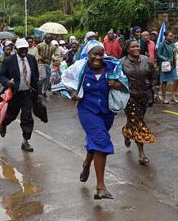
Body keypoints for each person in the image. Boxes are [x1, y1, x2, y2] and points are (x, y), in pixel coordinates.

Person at [62, 40, 128, 200]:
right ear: (88, 55)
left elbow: (125, 82)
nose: (98, 57)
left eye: (100, 54)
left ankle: (86, 164)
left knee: (96, 142)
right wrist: (72, 93)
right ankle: (101, 187)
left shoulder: (113, 67)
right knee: (101, 141)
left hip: (107, 112)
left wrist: (117, 84)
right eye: (94, 54)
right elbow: (64, 82)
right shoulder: (80, 68)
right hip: (87, 111)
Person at [0, 38, 40, 152]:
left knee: (27, 117)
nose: (24, 51)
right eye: (21, 49)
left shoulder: (31, 59)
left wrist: (38, 92)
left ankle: (25, 141)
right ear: (16, 49)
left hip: (27, 94)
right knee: (11, 115)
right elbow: (0, 76)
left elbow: (35, 76)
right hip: (14, 94)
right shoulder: (9, 61)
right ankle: (3, 124)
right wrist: (7, 82)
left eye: (25, 49)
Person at [121, 40, 158, 164]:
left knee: (136, 120)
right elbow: (117, 80)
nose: (136, 48)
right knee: (139, 124)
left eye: (137, 46)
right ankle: (141, 153)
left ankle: (127, 131)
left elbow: (153, 78)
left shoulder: (147, 60)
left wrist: (155, 92)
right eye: (133, 47)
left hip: (144, 96)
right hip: (129, 97)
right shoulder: (121, 63)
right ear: (127, 49)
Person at [157, 32, 178, 104]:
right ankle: (164, 98)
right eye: (170, 36)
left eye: (172, 36)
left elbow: (174, 54)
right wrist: (166, 59)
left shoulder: (173, 45)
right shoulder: (162, 44)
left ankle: (173, 96)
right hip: (165, 65)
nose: (171, 37)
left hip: (172, 65)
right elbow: (158, 54)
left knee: (176, 79)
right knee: (164, 81)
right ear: (166, 36)